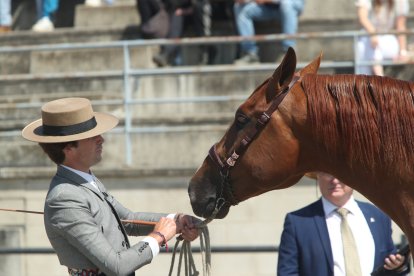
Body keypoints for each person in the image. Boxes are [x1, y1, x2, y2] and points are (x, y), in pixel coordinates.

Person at [21, 97, 201, 275]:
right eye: (91, 136)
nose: (101, 139)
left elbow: (128, 220)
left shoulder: (85, 181)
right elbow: (116, 266)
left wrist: (175, 221)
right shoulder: (64, 197)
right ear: (68, 148)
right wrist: (159, 237)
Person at [277, 172, 410, 276]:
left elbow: (390, 266)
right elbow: (287, 272)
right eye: (327, 173)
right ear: (317, 176)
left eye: (340, 174)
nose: (334, 180)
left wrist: (398, 265)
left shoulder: (378, 216)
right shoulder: (298, 222)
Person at [137, 0, 214, 67]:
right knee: (177, 19)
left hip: (199, 11)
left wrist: (189, 9)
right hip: (178, 12)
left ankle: (207, 50)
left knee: (198, 9)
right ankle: (166, 53)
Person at [233, 0, 305, 64]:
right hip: (268, 8)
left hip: (292, 5)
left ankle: (289, 53)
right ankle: (250, 53)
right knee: (240, 7)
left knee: (287, 3)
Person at [355, 0, 410, 76]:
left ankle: (372, 82)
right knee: (363, 45)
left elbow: (400, 26)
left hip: (389, 41)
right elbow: (362, 18)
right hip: (368, 41)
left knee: (369, 46)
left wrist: (402, 51)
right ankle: (378, 81)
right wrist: (373, 33)